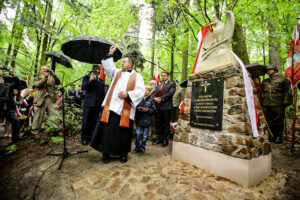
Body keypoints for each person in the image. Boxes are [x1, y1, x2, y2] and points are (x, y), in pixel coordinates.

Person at [91, 46, 145, 163]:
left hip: (125, 110)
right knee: (107, 133)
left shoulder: (138, 76)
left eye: (124, 62)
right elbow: (109, 66)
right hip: (112, 108)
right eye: (122, 62)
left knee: (123, 134)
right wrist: (110, 53)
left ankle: (123, 154)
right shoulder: (117, 73)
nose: (122, 64)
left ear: (130, 64)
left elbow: (141, 91)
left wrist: (128, 94)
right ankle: (106, 154)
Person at [258, 65, 291, 144]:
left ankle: (279, 136)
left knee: (278, 121)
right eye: (267, 70)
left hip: (278, 103)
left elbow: (287, 92)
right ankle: (272, 135)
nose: (268, 71)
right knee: (269, 121)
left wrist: (285, 102)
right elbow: (260, 93)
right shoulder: (265, 81)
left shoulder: (283, 79)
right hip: (266, 104)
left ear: (275, 70)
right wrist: (259, 102)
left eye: (270, 69)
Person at [31, 65, 61, 138]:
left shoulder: (52, 78)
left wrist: (54, 74)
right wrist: (45, 77)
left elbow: (59, 82)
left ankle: (57, 130)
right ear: (40, 70)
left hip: (51, 98)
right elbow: (38, 85)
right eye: (43, 69)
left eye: (46, 69)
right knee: (38, 116)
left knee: (54, 114)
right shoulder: (37, 78)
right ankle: (35, 131)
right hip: (40, 99)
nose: (45, 70)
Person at [81, 65, 105, 145]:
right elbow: (83, 87)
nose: (97, 70)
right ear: (92, 70)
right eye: (95, 69)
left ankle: (91, 137)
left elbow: (102, 93)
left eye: (98, 69)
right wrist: (90, 81)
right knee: (86, 121)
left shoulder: (101, 81)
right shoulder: (87, 77)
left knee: (94, 122)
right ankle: (84, 138)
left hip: (97, 105)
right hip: (88, 103)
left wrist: (103, 104)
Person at [153, 71, 176, 147]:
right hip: (159, 107)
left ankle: (165, 140)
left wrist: (161, 99)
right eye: (162, 75)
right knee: (159, 123)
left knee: (166, 124)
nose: (163, 77)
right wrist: (155, 98)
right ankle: (160, 138)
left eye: (164, 75)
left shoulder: (171, 84)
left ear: (167, 76)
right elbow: (156, 94)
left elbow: (170, 93)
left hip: (167, 107)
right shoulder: (159, 85)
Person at [133, 86, 156, 154]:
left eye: (148, 90)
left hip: (147, 120)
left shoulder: (151, 100)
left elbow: (154, 110)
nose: (146, 91)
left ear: (149, 92)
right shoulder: (139, 99)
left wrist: (148, 110)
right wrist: (138, 109)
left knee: (145, 136)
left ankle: (142, 148)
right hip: (139, 119)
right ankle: (137, 148)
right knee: (138, 134)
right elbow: (134, 107)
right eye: (145, 90)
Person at [0, 69, 20, 143]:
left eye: (2, 78)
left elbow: (17, 84)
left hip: (8, 108)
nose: (1, 79)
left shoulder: (8, 85)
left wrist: (13, 75)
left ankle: (16, 140)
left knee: (16, 121)